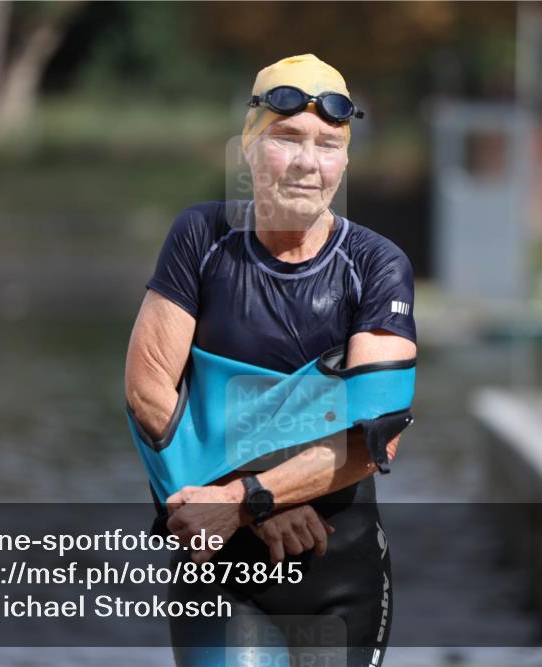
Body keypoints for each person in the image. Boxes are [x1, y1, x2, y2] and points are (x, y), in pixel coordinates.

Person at [124, 54, 417, 667]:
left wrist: (251, 497)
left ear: (346, 159)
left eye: (329, 144)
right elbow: (149, 391)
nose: (309, 163)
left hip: (337, 568)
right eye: (287, 140)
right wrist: (256, 508)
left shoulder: (375, 265)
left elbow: (376, 436)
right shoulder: (201, 238)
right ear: (249, 151)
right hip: (217, 562)